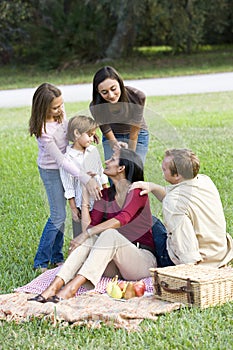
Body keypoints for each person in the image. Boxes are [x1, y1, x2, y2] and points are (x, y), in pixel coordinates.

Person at [28, 148, 157, 303]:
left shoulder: (137, 192)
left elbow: (122, 219)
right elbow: (89, 229)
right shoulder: (105, 195)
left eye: (112, 159)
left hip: (141, 259)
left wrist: (86, 234)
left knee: (108, 234)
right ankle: (54, 286)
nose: (106, 161)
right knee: (91, 239)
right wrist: (85, 191)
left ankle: (72, 287)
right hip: (114, 264)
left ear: (122, 168)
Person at [29, 83, 101, 272]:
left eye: (61, 104)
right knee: (57, 216)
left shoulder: (60, 113)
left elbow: (71, 131)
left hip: (68, 165)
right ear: (42, 107)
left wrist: (88, 134)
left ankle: (56, 256)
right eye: (55, 107)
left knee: (64, 213)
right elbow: (60, 160)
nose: (60, 109)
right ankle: (40, 261)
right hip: (52, 171)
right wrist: (84, 177)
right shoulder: (44, 130)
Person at [130, 148, 233, 268]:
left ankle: (138, 260)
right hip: (219, 255)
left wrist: (189, 274)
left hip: (198, 263)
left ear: (177, 175)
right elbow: (177, 196)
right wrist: (151, 186)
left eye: (164, 169)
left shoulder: (173, 202)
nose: (161, 170)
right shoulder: (205, 181)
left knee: (148, 221)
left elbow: (186, 250)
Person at [59, 115, 108, 238]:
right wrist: (74, 208)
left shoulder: (93, 150)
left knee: (100, 231)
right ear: (76, 133)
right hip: (82, 203)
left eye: (93, 135)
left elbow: (101, 172)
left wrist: (106, 190)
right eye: (90, 135)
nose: (92, 139)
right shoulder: (67, 158)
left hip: (99, 199)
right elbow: (68, 185)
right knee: (81, 233)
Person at [90, 66, 149, 166]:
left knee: (133, 170)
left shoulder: (137, 97)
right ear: (98, 92)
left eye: (113, 89)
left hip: (138, 134)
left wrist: (129, 156)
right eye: (104, 92)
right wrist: (115, 144)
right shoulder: (95, 106)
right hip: (113, 134)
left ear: (120, 84)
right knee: (114, 171)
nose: (111, 95)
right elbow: (106, 131)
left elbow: (134, 133)